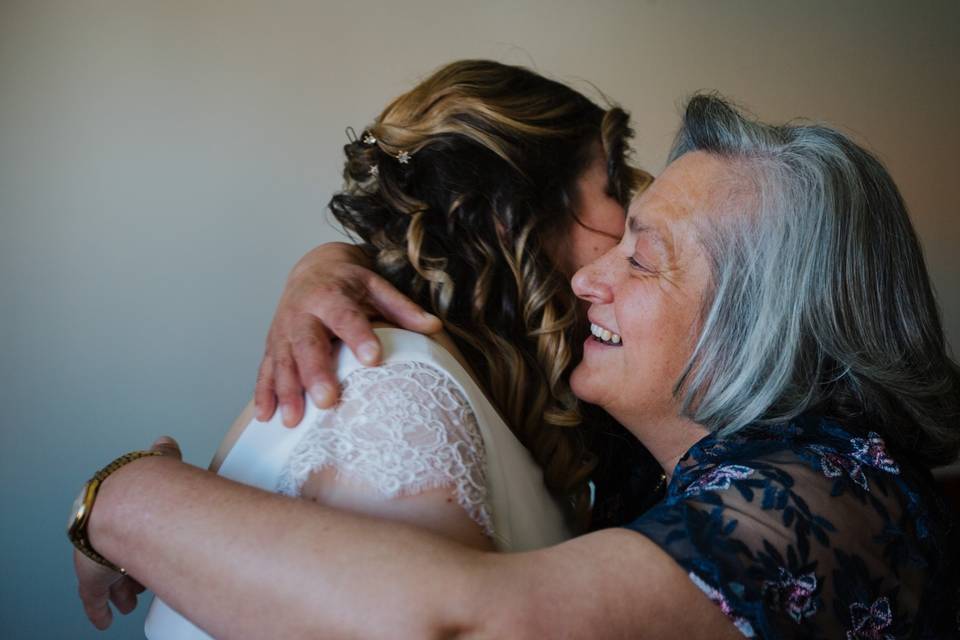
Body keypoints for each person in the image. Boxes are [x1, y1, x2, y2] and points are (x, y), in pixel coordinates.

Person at [71, 94, 959, 638]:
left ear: (763, 325)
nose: (585, 277)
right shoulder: (663, 463)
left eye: (642, 259)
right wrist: (329, 268)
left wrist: (121, 498)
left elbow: (462, 627)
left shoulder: (830, 499)